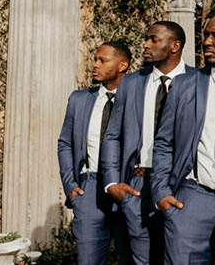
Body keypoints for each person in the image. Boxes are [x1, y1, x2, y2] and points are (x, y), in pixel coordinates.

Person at [151, 13, 215, 264]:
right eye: (205, 35)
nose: (206, 41)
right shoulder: (184, 84)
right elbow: (164, 141)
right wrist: (161, 191)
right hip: (193, 197)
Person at [101, 21, 195, 265]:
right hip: (137, 186)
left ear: (175, 46)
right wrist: (112, 182)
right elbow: (112, 135)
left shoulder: (198, 81)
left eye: (153, 39)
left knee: (179, 258)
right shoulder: (131, 83)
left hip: (182, 187)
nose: (145, 44)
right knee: (141, 260)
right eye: (146, 38)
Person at [57, 41, 132, 265]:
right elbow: (65, 144)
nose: (95, 65)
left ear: (122, 65)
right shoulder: (79, 100)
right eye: (95, 59)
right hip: (88, 190)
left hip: (126, 188)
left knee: (131, 258)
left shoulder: (136, 99)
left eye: (103, 60)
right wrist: (70, 186)